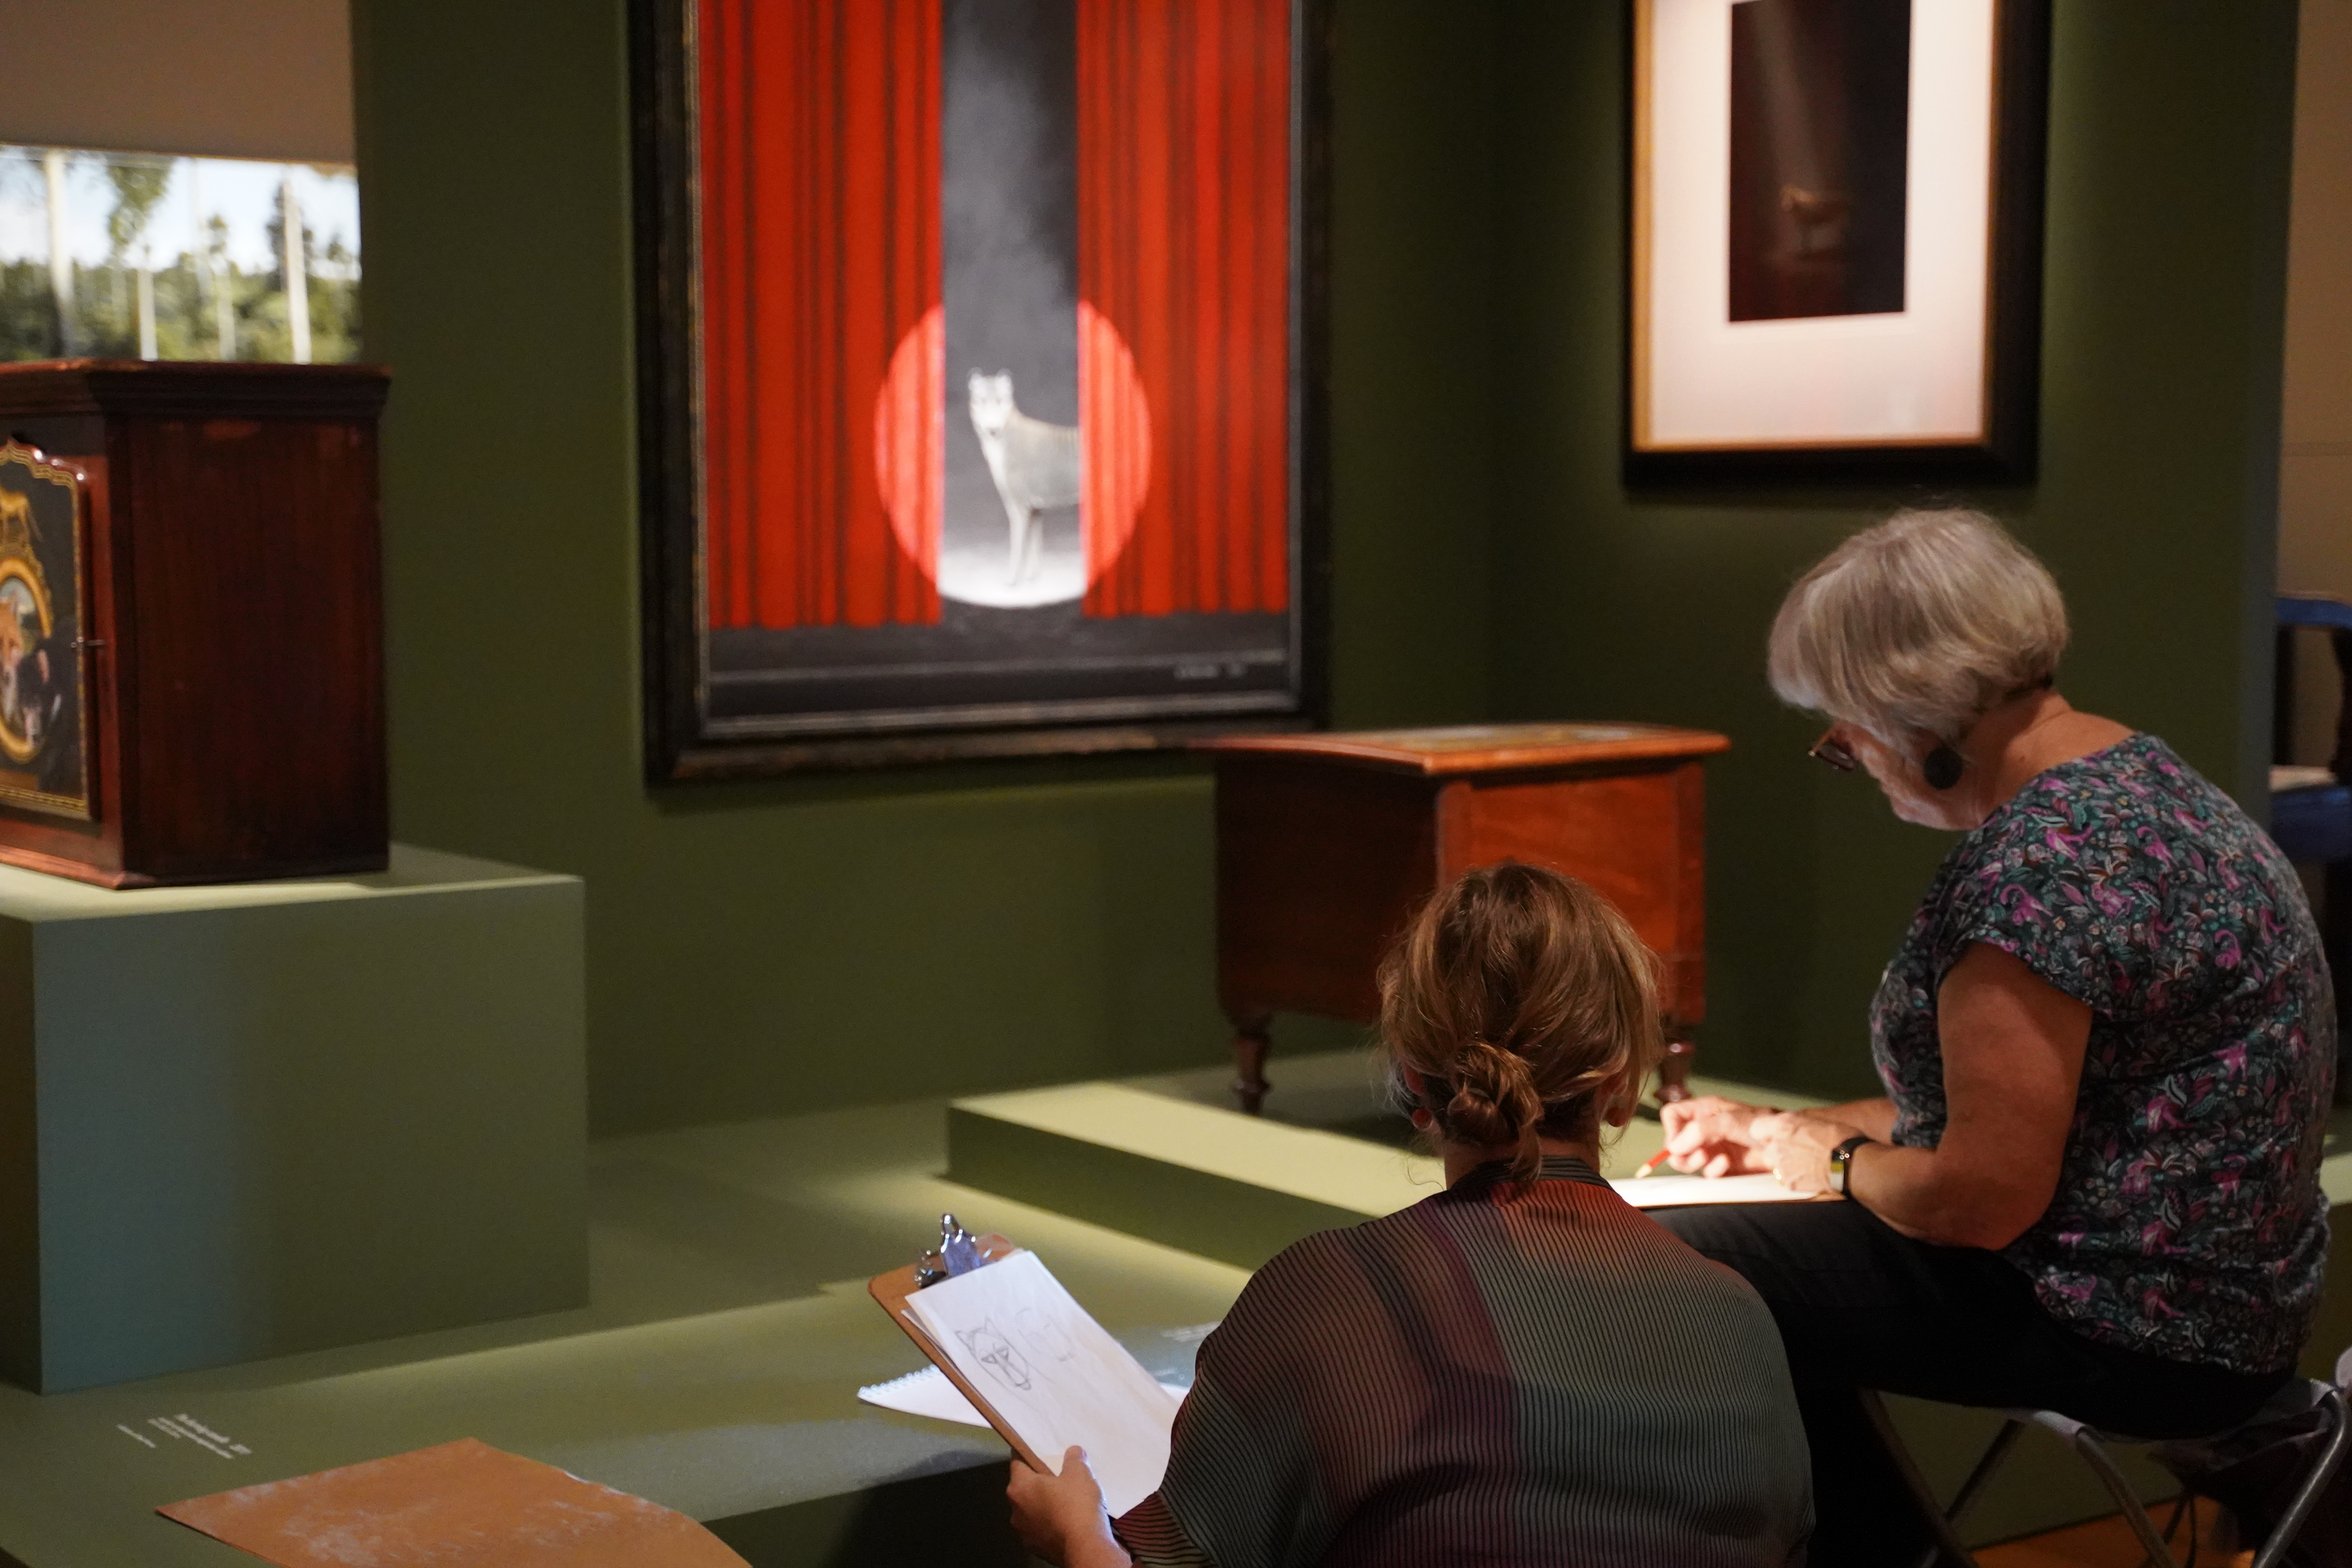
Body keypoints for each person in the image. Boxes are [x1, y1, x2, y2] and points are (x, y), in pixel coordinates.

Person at [1655, 508, 2334, 1564]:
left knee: (1678, 1260)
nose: (1848, 757)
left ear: (1911, 719)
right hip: (2234, 1313)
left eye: (1843, 735)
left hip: (2127, 1328)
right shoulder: (2159, 793)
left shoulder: (2037, 869)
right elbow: (2050, 1106)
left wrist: (1827, 1160)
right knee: (1766, 1271)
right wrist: (1779, 1130)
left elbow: (1980, 1199)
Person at [1009, 862, 1813, 1568]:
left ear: (1413, 1083)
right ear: (1622, 1088)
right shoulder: (1738, 1319)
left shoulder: (1328, 1298)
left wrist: (1076, 1536)